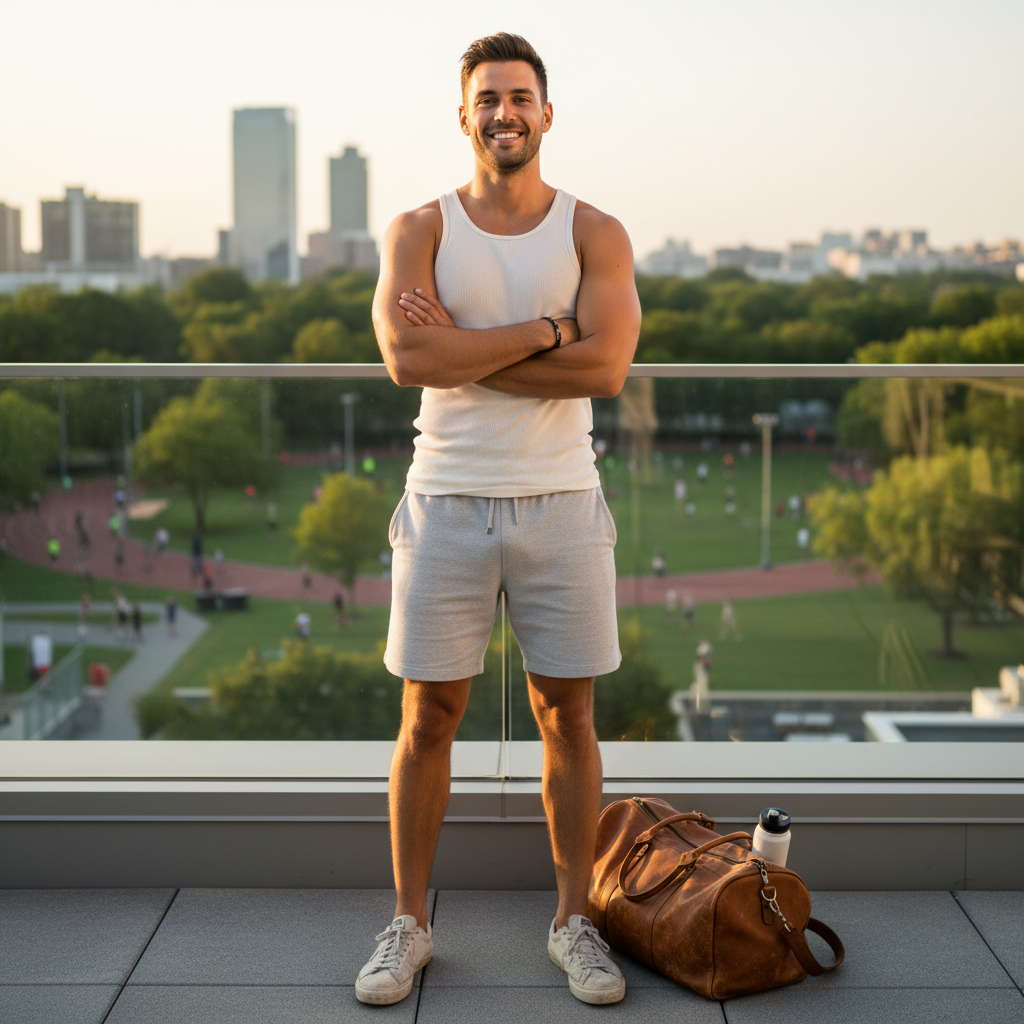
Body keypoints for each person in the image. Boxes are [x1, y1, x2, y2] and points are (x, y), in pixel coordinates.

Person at [359, 33, 639, 1008]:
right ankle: (409, 924)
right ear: (464, 115)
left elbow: (606, 369)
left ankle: (574, 923)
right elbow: (408, 360)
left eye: (520, 97)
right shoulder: (418, 228)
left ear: (546, 113)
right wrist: (548, 333)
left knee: (569, 717)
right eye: (487, 98)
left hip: (563, 502)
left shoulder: (595, 232)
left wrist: (468, 350)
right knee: (426, 718)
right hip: (444, 501)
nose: (504, 113)